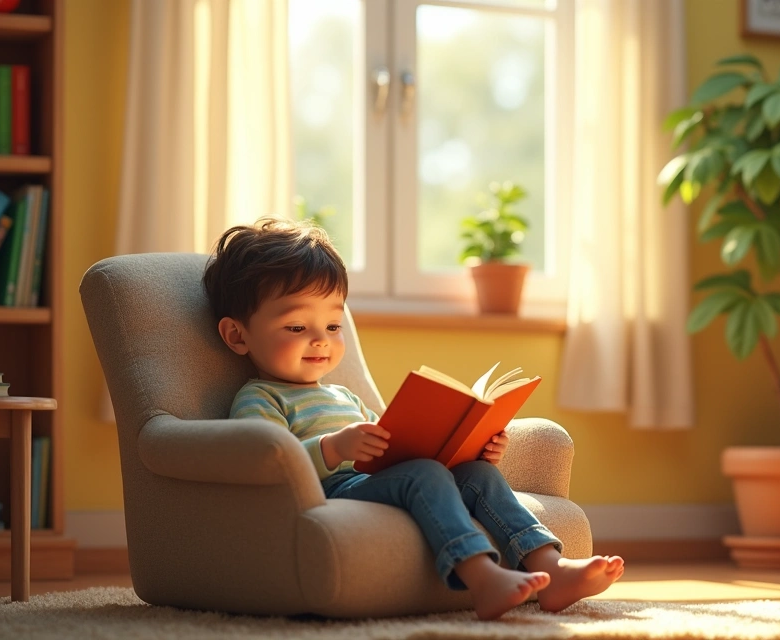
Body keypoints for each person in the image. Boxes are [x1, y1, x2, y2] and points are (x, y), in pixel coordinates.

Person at [202, 218, 623, 620]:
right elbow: (268, 462)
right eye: (296, 327)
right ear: (238, 335)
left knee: (478, 473)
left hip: (383, 480)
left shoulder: (342, 394)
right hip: (336, 490)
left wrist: (469, 446)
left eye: (333, 325)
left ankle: (552, 567)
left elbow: (393, 445)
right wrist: (334, 447)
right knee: (422, 473)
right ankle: (482, 577)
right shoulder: (260, 397)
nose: (321, 341)